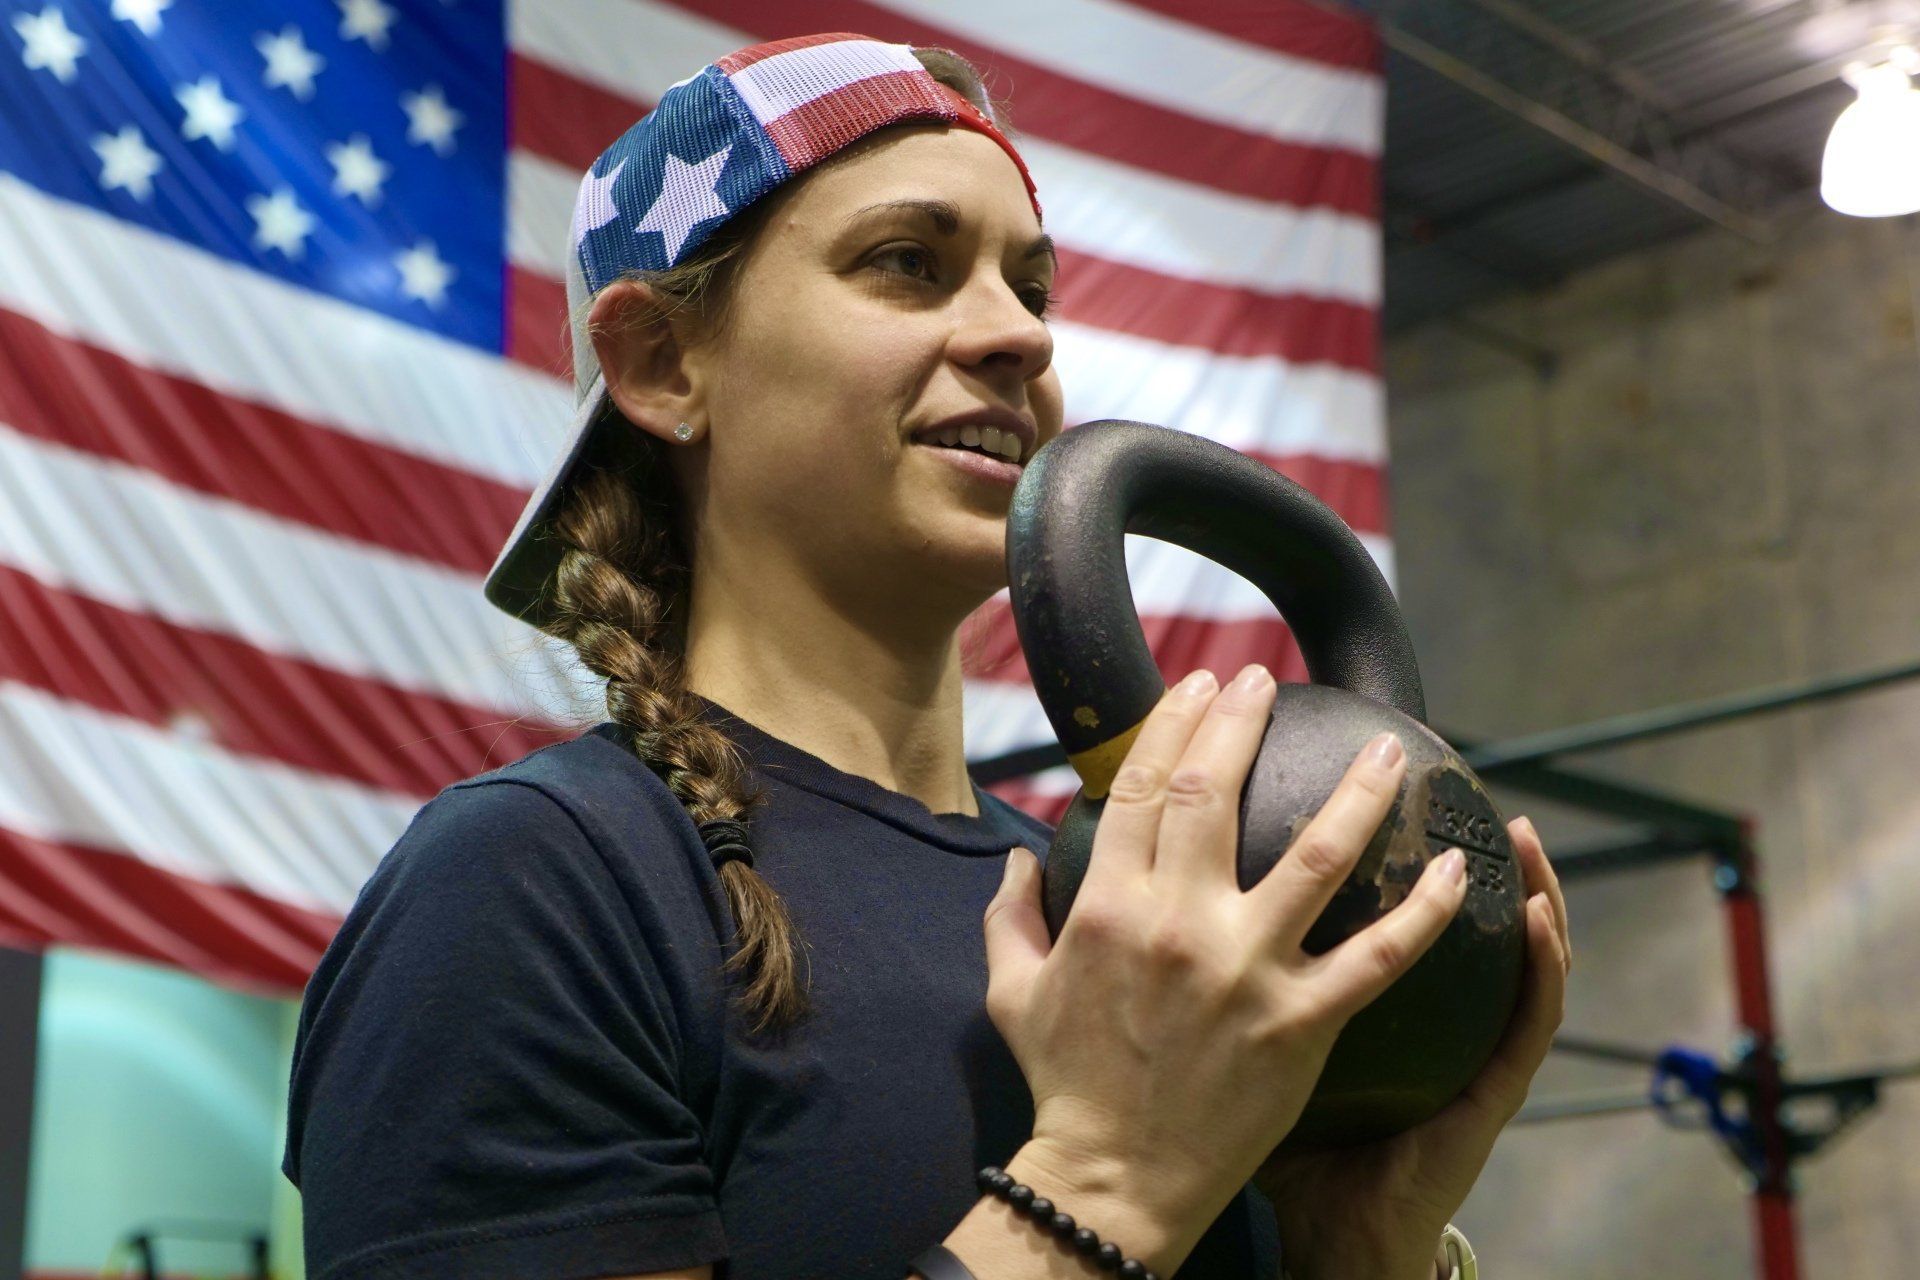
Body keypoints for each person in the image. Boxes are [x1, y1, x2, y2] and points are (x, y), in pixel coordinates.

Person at [280, 31, 1572, 1280]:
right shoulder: (536, 879)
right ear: (663, 361)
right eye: (907, 262)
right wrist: (1108, 1185)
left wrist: (1356, 1249)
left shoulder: (1123, 911)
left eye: (1031, 286)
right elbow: (1106, 1199)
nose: (1023, 336)